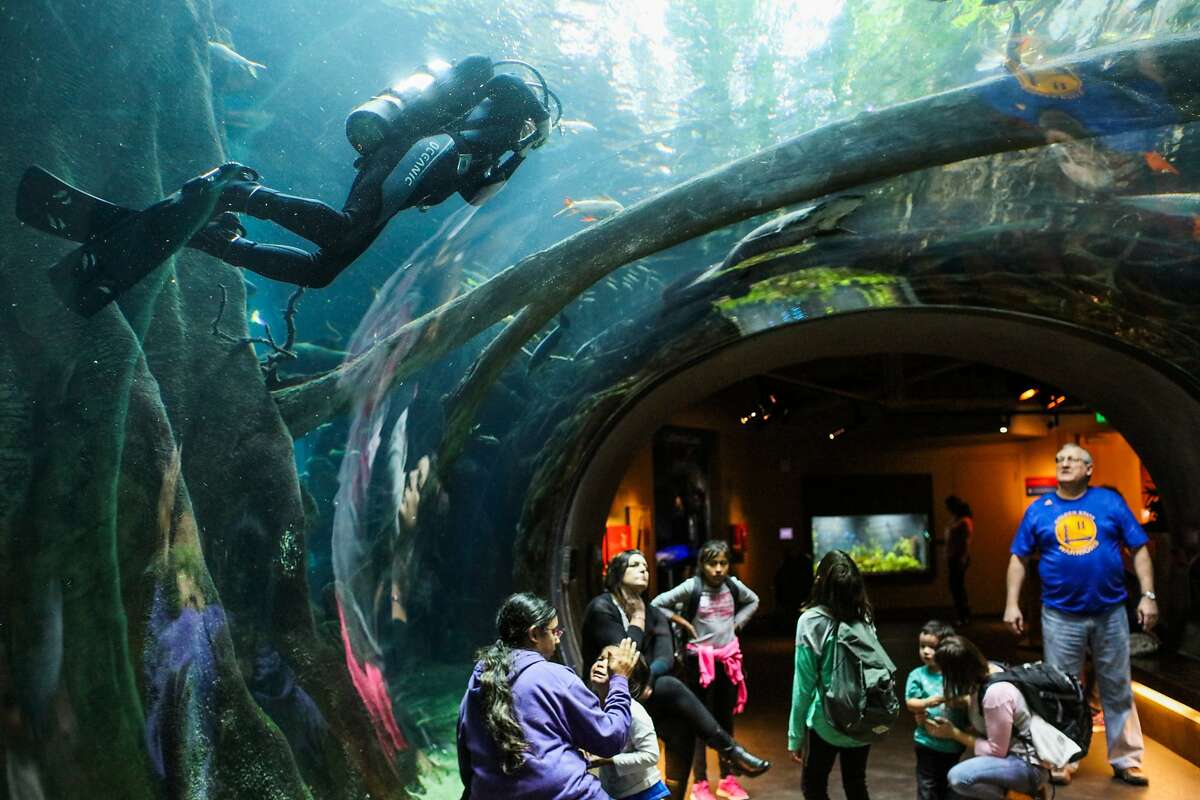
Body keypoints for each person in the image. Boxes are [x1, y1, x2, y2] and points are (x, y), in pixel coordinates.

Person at [194, 55, 557, 288]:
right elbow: (498, 77)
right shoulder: (501, 101)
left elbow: (476, 196)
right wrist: (541, 122)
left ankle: (222, 242)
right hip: (412, 149)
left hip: (402, 183)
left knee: (321, 271)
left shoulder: (499, 145)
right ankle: (236, 192)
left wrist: (520, 155)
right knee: (344, 231)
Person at [1002, 443, 1155, 787]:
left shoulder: (1109, 503)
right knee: (1062, 689)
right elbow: (1018, 558)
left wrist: (1148, 596)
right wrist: (1011, 603)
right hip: (1059, 614)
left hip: (1109, 611)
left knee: (1116, 685)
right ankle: (1063, 759)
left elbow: (1140, 547)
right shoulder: (1039, 510)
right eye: (1059, 459)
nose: (1064, 463)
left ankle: (1126, 760)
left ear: (1089, 469)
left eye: (1072, 459)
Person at [581, 550, 770, 800]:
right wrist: (637, 622)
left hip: (644, 693)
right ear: (617, 573)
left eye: (646, 567)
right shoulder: (602, 608)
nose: (644, 570)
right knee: (671, 686)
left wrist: (648, 679)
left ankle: (674, 794)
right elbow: (625, 658)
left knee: (682, 723)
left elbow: (665, 658)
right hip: (606, 693)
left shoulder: (654, 612)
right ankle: (730, 751)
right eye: (635, 565)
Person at [457, 592, 637, 799]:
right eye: (555, 631)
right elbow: (610, 740)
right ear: (534, 634)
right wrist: (619, 680)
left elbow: (467, 764)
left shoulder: (477, 683)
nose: (558, 639)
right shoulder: (555, 676)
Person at [652, 540, 760, 800]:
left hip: (726, 661)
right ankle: (700, 783)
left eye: (723, 563)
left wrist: (737, 623)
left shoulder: (732, 585)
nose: (719, 569)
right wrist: (682, 622)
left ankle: (727, 778)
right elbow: (657, 603)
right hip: (698, 662)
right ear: (702, 565)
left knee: (725, 720)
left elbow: (753, 600)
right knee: (701, 722)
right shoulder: (693, 586)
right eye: (713, 563)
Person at [788, 550, 877, 800]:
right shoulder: (865, 615)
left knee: (814, 786)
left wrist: (795, 736)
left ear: (821, 583)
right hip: (862, 718)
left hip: (825, 722)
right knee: (856, 783)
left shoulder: (810, 621)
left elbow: (803, 686)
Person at [925, 635, 1048, 800]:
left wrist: (953, 733)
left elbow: (996, 751)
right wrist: (962, 701)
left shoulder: (995, 695)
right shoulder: (990, 669)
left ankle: (1018, 796)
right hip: (1013, 759)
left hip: (1026, 766)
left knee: (959, 778)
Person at [588, 646, 671, 800]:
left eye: (611, 663)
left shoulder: (634, 711)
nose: (601, 664)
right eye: (600, 658)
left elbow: (651, 755)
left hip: (645, 792)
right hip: (613, 791)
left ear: (628, 677)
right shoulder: (592, 707)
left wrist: (609, 760)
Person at [905, 620, 966, 800]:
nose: (926, 651)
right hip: (927, 742)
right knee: (927, 785)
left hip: (953, 745)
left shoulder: (956, 676)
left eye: (932, 647)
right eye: (922, 646)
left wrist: (957, 702)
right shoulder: (918, 675)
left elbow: (968, 701)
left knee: (947, 786)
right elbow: (910, 703)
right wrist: (926, 703)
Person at [944, 497, 973, 627]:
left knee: (958, 587)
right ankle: (962, 616)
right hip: (954, 557)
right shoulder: (958, 521)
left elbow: (965, 541)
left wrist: (963, 558)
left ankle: (964, 617)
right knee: (956, 587)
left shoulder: (964, 522)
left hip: (958, 558)